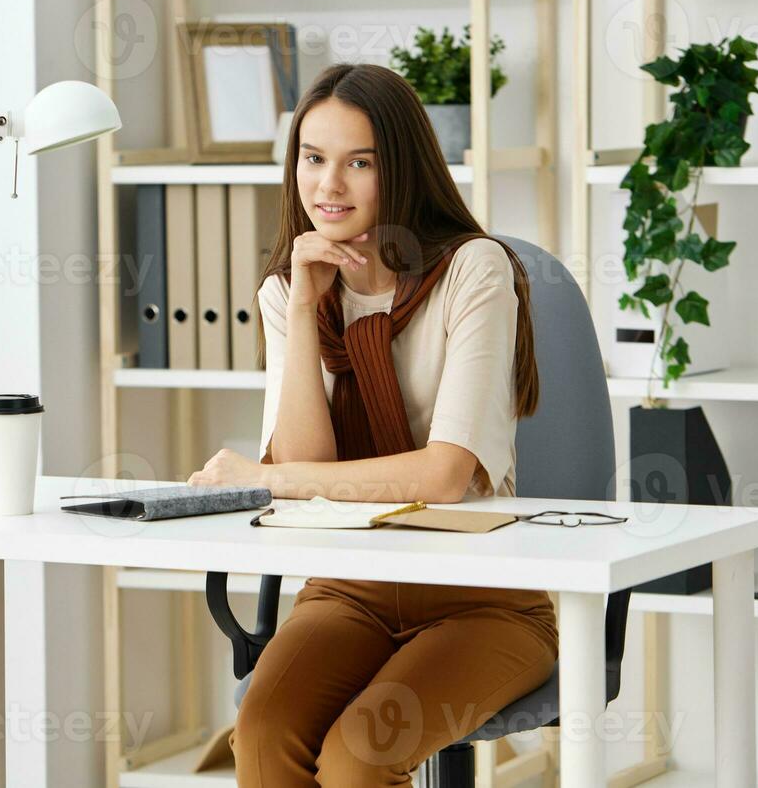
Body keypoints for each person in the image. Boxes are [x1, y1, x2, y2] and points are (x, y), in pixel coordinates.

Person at [186, 63, 557, 785]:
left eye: (359, 163)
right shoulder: (286, 291)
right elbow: (304, 464)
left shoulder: (472, 271)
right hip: (349, 588)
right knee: (261, 735)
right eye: (313, 159)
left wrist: (267, 478)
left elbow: (446, 476)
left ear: (404, 169)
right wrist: (300, 308)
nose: (329, 186)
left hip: (481, 601)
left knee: (359, 754)